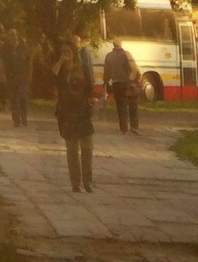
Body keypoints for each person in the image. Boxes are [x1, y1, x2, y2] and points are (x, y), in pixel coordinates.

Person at [54, 41, 95, 194]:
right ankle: (75, 183)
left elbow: (89, 86)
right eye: (63, 51)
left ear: (74, 53)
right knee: (72, 149)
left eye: (68, 51)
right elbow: (53, 77)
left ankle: (87, 181)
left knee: (87, 147)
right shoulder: (60, 70)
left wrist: (92, 100)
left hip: (82, 111)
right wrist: (60, 62)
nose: (66, 54)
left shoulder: (82, 68)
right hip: (66, 112)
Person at [103, 37, 139, 134]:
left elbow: (107, 72)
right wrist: (135, 80)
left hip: (116, 84)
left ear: (113, 44)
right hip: (128, 84)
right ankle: (134, 126)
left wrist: (106, 82)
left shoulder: (109, 56)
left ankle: (123, 128)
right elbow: (134, 69)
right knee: (132, 105)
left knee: (120, 106)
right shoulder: (127, 54)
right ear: (121, 44)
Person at [3, 34, 31, 128]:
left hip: (22, 77)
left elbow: (29, 64)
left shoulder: (23, 50)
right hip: (11, 77)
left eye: (15, 37)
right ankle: (16, 120)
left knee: (23, 98)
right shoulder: (6, 51)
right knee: (13, 99)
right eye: (12, 38)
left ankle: (24, 118)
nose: (13, 40)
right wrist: (4, 75)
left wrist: (29, 76)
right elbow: (3, 63)